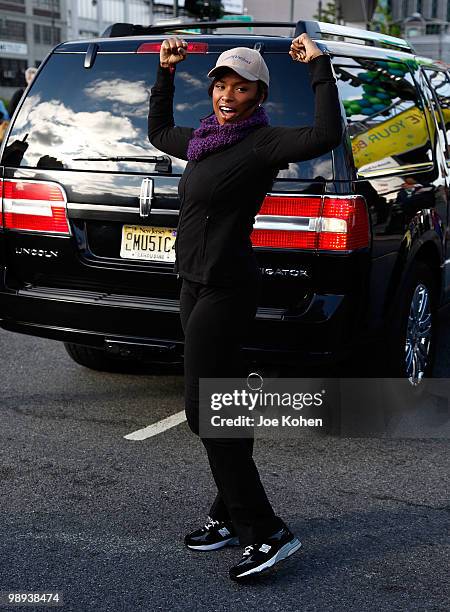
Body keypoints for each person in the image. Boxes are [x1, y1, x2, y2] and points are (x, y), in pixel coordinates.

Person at [148, 33, 342, 582]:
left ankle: (266, 530)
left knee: (202, 410)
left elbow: (326, 133)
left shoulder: (263, 144)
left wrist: (320, 67)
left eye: (242, 87)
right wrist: (165, 73)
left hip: (227, 290)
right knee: (222, 407)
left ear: (259, 94)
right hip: (193, 284)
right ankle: (229, 514)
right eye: (222, 85)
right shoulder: (206, 139)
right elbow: (159, 131)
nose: (228, 96)